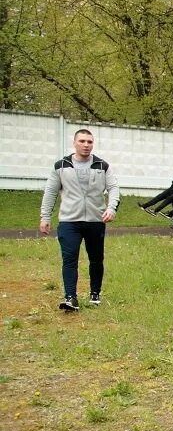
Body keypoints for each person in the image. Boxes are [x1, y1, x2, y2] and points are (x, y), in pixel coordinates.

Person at [39, 129, 120, 310]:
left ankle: (95, 294)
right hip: (69, 221)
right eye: (82, 141)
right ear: (75, 143)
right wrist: (45, 217)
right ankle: (70, 298)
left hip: (95, 221)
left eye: (89, 142)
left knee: (96, 259)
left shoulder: (102, 166)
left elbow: (114, 188)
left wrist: (111, 208)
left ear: (93, 144)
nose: (86, 145)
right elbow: (50, 192)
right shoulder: (61, 166)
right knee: (69, 259)